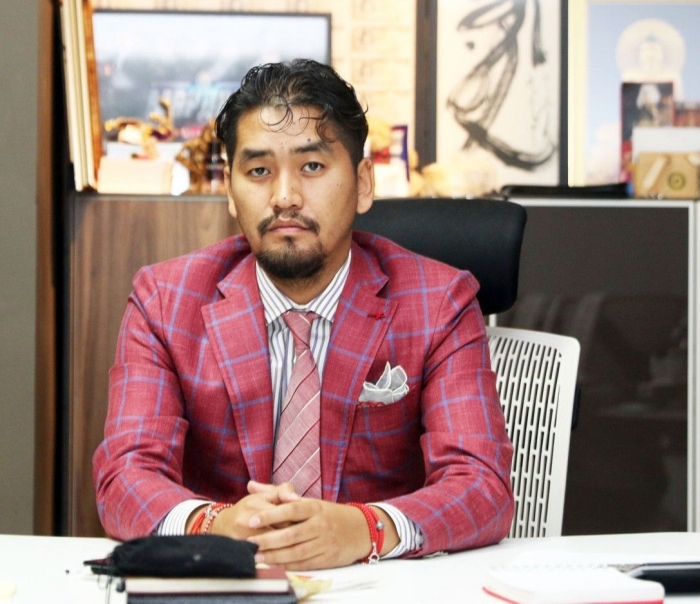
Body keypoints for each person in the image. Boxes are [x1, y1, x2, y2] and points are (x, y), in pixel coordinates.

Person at [93, 59, 514, 571]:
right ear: (230, 191)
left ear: (362, 182)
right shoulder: (165, 301)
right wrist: (216, 525)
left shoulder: (439, 302)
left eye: (312, 166)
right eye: (258, 171)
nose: (284, 197)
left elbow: (481, 484)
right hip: (227, 585)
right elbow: (124, 476)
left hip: (380, 584)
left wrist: (363, 528)